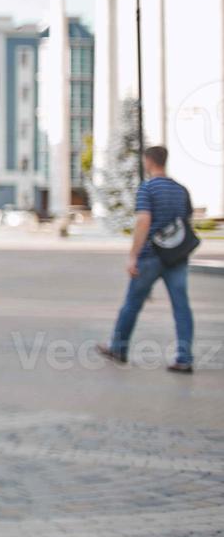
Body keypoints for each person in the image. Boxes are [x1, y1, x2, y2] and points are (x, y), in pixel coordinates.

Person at [100, 145, 195, 373]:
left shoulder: (148, 188)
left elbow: (143, 221)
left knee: (132, 303)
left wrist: (133, 256)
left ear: (148, 162)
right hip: (176, 256)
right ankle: (184, 358)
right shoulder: (180, 189)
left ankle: (119, 348)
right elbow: (186, 220)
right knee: (181, 306)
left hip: (151, 256)